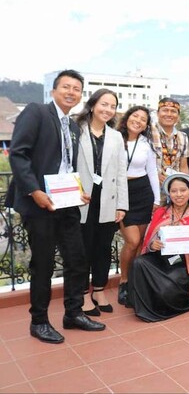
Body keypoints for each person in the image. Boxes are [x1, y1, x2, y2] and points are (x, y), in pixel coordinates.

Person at [7, 69, 105, 344]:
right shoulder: (37, 112)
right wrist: (34, 190)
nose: (71, 92)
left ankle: (73, 313)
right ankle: (39, 321)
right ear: (53, 90)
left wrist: (78, 191)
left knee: (77, 259)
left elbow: (65, 166)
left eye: (76, 88)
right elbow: (18, 153)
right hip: (39, 203)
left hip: (66, 203)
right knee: (44, 264)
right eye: (66, 87)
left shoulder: (72, 126)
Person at [75, 89, 128, 316]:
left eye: (112, 106)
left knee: (103, 248)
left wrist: (122, 205)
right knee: (82, 249)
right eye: (103, 104)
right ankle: (82, 294)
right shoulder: (76, 129)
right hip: (81, 199)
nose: (107, 109)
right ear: (93, 104)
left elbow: (121, 172)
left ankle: (99, 289)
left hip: (108, 200)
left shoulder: (115, 136)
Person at [127, 174, 189, 322]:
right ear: (169, 193)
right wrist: (153, 245)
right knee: (138, 262)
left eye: (183, 190)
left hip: (184, 266)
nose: (178, 195)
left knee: (166, 291)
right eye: (174, 191)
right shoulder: (161, 213)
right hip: (161, 259)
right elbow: (148, 240)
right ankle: (143, 304)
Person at [116, 106, 161, 306]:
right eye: (135, 116)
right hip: (122, 193)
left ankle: (135, 280)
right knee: (132, 241)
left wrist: (157, 200)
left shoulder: (146, 143)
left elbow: (152, 171)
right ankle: (124, 281)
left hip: (143, 192)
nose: (138, 121)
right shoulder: (115, 139)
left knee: (140, 241)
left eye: (143, 119)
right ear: (127, 118)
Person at [151, 97, 189, 202]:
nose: (169, 114)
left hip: (174, 193)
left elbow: (184, 166)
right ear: (158, 113)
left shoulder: (183, 137)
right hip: (151, 190)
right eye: (165, 110)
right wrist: (154, 175)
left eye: (173, 111)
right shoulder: (148, 133)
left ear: (178, 116)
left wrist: (185, 188)